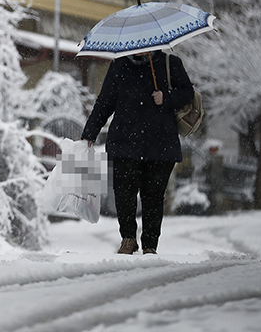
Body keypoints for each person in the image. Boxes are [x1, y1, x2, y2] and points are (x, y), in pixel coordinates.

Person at [81, 50, 193, 255]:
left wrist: (166, 97)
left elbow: (187, 93)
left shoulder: (170, 63)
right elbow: (105, 102)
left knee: (153, 196)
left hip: (160, 145)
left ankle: (150, 244)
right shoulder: (119, 66)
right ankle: (128, 239)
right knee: (124, 194)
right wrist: (89, 133)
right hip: (125, 143)